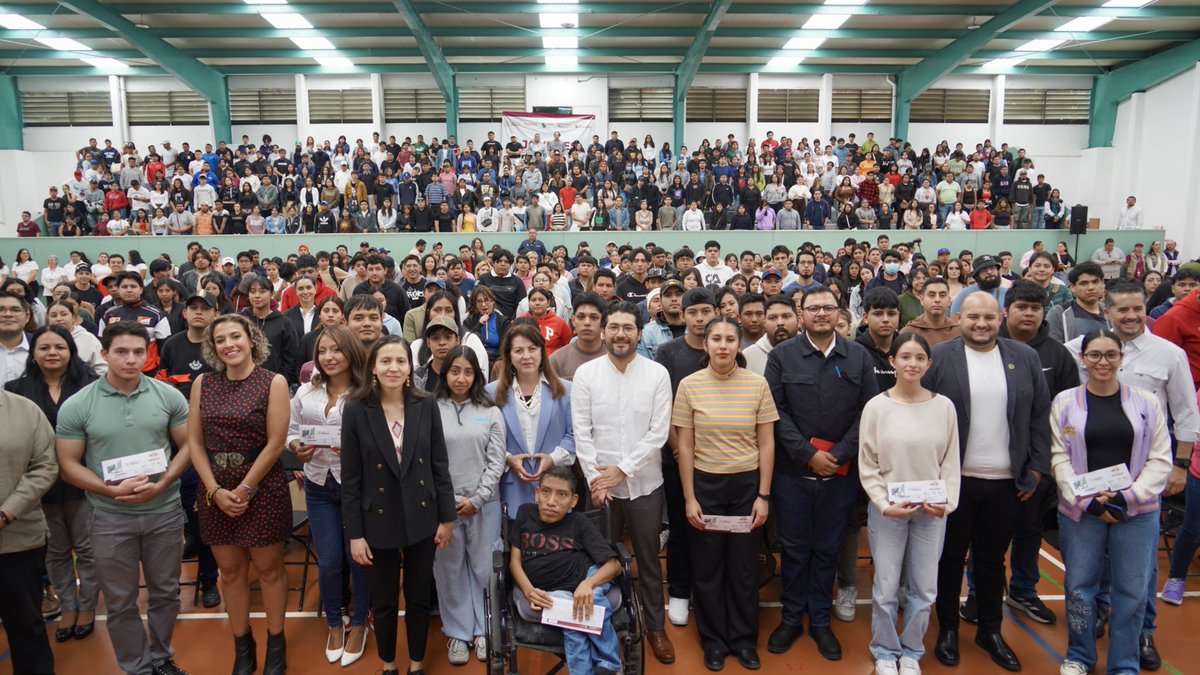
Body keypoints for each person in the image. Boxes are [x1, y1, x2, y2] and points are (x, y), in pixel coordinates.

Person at [1065, 281, 1198, 664]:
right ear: (1106, 311)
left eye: (1137, 308)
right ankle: (1098, 616)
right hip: (1090, 478)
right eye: (1122, 309)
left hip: (1142, 478)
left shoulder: (1169, 355)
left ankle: (1143, 634)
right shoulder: (1076, 351)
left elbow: (1185, 413)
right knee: (1092, 565)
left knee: (1139, 569)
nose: (1131, 316)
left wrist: (1180, 465)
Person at [923, 293, 1051, 673]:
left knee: (993, 562)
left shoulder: (1024, 357)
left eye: (989, 317)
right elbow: (921, 411)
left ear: (1002, 318)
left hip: (1006, 483)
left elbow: (1040, 416)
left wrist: (1037, 468)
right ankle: (948, 628)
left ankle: (990, 631)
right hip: (955, 482)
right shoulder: (939, 357)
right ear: (958, 317)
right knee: (949, 559)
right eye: (973, 317)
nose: (981, 324)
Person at [56, 321, 193, 675]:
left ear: (148, 354)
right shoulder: (78, 404)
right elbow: (68, 464)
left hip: (164, 512)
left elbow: (189, 446)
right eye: (121, 352)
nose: (130, 359)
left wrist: (163, 484)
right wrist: (109, 490)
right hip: (109, 516)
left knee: (166, 592)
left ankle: (161, 658)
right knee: (119, 600)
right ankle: (137, 667)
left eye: (138, 352)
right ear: (104, 354)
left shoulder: (168, 396)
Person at [765, 285, 880, 660]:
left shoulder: (858, 357)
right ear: (802, 315)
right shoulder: (782, 356)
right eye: (813, 308)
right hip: (792, 474)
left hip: (840, 475)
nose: (821, 314)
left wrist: (840, 453)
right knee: (794, 549)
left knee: (827, 548)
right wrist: (808, 454)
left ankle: (819, 620)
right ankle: (790, 618)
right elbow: (775, 412)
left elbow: (868, 412)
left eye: (828, 308)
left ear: (838, 312)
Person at [1051, 329, 1172, 675]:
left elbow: (1159, 459)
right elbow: (1059, 457)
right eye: (1095, 355)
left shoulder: (1147, 403)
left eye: (1110, 355)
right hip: (1082, 513)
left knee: (1132, 591)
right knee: (1079, 588)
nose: (1102, 362)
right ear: (1083, 359)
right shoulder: (1064, 403)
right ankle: (1079, 656)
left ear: (1122, 358)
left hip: (1136, 513)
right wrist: (1086, 501)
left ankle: (1124, 663)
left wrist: (1126, 496)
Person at [342, 336, 456, 675]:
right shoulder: (356, 409)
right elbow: (351, 478)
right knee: (385, 600)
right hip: (378, 520)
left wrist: (446, 518)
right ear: (373, 368)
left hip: (422, 515)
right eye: (386, 361)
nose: (393, 368)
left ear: (410, 367)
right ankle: (389, 664)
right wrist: (355, 535)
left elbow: (439, 466)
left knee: (419, 597)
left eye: (400, 361)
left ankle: (416, 665)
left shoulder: (426, 403)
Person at [573, 302, 676, 664]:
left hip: (644, 485)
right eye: (614, 327)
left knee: (648, 560)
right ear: (604, 331)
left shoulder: (657, 374)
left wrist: (622, 470)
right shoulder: (586, 374)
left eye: (628, 328)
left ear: (639, 332)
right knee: (600, 559)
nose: (620, 334)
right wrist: (597, 480)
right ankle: (607, 627)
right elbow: (582, 432)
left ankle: (655, 627)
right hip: (600, 488)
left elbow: (658, 432)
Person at [189, 314, 292, 675]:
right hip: (215, 491)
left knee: (269, 571)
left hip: (261, 489)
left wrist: (245, 488)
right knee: (230, 573)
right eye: (220, 340)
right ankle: (243, 648)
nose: (229, 345)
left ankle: (276, 645)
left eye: (235, 336)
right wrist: (215, 490)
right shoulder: (203, 383)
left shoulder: (273, 382)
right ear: (212, 347)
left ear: (251, 340)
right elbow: (195, 443)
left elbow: (276, 443)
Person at [673, 316, 777, 671]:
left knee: (744, 567)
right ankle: (714, 641)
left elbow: (767, 442)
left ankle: (744, 640)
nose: (722, 345)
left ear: (739, 344)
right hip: (706, 486)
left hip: (747, 487)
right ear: (705, 344)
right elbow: (685, 446)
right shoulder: (689, 385)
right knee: (708, 567)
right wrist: (690, 498)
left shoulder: (757, 384)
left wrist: (763, 496)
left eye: (730, 339)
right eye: (715, 339)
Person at [859, 333, 961, 675]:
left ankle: (912, 651)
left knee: (924, 587)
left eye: (919, 358)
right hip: (888, 511)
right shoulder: (876, 407)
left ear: (929, 363)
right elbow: (868, 463)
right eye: (905, 357)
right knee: (886, 586)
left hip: (931, 513)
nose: (912, 364)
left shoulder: (944, 407)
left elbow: (951, 462)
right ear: (893, 361)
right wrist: (882, 502)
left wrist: (946, 503)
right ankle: (885, 651)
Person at [5, 326, 100, 645]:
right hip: (39, 483)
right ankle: (68, 606)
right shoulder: (16, 390)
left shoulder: (90, 386)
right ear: (33, 354)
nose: (52, 353)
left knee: (87, 549)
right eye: (44, 347)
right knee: (56, 551)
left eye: (59, 346)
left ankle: (88, 605)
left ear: (71, 351)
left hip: (85, 479)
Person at [286, 326, 372, 667]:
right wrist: (296, 447)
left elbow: (381, 440)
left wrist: (356, 451)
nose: (328, 357)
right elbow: (292, 431)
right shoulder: (306, 391)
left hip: (357, 487)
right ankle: (335, 623)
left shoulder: (367, 393)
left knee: (358, 557)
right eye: (322, 351)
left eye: (336, 350)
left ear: (350, 352)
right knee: (330, 560)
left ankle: (360, 623)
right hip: (318, 484)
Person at [509, 465, 624, 675]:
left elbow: (614, 565)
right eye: (546, 492)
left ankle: (609, 665)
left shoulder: (579, 522)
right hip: (551, 592)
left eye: (561, 494)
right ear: (537, 493)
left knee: (589, 603)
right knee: (571, 618)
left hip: (587, 578)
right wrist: (529, 591)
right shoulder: (525, 514)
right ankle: (593, 669)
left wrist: (588, 584)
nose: (551, 501)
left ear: (573, 500)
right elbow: (514, 562)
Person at [431, 346, 505, 665]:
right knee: (449, 569)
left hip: (483, 504)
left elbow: (497, 460)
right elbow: (426, 459)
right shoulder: (430, 409)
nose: (461, 378)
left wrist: (477, 498)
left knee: (484, 568)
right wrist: (445, 501)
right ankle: (459, 633)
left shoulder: (490, 411)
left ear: (477, 376)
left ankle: (485, 629)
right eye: (455, 371)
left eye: (468, 372)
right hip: (444, 506)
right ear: (444, 373)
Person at [655, 287, 719, 627]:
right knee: (680, 525)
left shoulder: (724, 349)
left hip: (718, 459)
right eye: (692, 312)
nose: (699, 318)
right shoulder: (668, 352)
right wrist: (679, 448)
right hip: (676, 456)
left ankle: (709, 590)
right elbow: (662, 406)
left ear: (716, 313)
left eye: (705, 311)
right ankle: (680, 589)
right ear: (682, 315)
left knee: (713, 527)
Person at [0, 382, 58, 675]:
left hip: (17, 540)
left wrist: (6, 512)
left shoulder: (24, 411)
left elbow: (44, 466)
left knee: (26, 626)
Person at [485, 324, 575, 508]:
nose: (526, 356)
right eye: (518, 350)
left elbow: (574, 435)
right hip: (511, 488)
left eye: (532, 349)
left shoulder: (566, 390)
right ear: (509, 355)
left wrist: (553, 459)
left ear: (542, 352)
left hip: (555, 488)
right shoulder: (491, 393)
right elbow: (485, 439)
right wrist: (507, 458)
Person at [1047, 262, 1109, 344]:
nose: (1091, 287)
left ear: (1103, 284)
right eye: (1084, 283)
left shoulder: (1110, 311)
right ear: (1073, 287)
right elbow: (1054, 348)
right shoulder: (1059, 313)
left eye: (1095, 282)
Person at [550, 293, 607, 380]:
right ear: (573, 320)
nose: (587, 322)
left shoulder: (615, 357)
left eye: (594, 317)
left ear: (603, 322)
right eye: (581, 317)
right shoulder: (557, 360)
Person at [743, 295, 800, 375]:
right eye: (772, 318)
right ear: (764, 323)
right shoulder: (748, 356)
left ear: (798, 320)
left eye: (786, 316)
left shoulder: (813, 349)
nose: (780, 323)